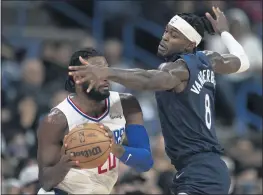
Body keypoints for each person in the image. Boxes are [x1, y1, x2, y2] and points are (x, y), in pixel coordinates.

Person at [69, 7, 250, 195]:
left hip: (201, 172)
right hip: (201, 169)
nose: (165, 37)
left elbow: (149, 79)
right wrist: (224, 32)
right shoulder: (209, 59)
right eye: (166, 31)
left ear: (189, 45)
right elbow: (242, 61)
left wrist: (107, 72)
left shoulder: (178, 69)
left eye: (174, 35)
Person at [37, 48, 153, 194]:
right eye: (97, 72)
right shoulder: (56, 120)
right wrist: (64, 165)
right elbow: (45, 182)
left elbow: (146, 163)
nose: (105, 77)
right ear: (78, 78)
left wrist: (117, 149)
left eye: (106, 70)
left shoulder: (126, 104)